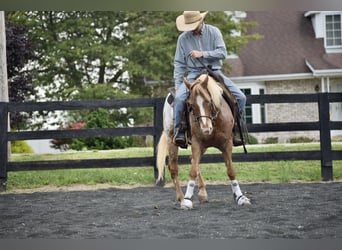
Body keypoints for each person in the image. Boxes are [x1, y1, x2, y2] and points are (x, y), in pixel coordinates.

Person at [173, 11, 246, 147]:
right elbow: (179, 64)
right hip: (194, 74)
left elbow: (222, 53)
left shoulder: (214, 32)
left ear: (201, 21)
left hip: (214, 72)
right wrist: (178, 86)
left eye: (194, 25)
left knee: (241, 97)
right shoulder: (183, 39)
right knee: (179, 98)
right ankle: (180, 131)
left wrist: (202, 54)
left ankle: (235, 129)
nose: (191, 29)